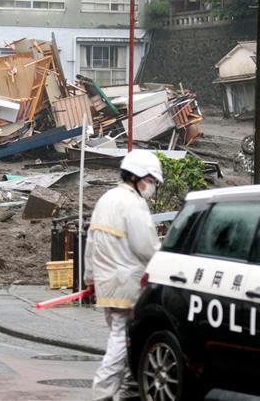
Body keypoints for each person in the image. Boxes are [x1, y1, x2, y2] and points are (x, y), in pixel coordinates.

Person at [84, 149, 163, 401]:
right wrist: (165, 263)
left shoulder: (107, 199)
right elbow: (147, 247)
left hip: (107, 284)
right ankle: (102, 392)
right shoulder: (133, 203)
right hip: (127, 285)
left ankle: (131, 387)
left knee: (128, 338)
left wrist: (89, 277)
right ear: (136, 177)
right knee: (121, 339)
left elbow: (91, 241)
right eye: (149, 180)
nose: (150, 186)